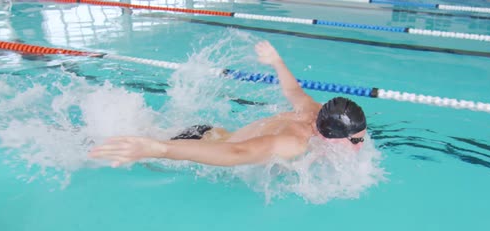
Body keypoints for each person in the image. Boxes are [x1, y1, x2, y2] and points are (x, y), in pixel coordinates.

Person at [89, 40, 367, 168]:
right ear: (326, 135)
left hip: (211, 132)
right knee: (123, 150)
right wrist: (158, 149)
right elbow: (236, 153)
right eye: (354, 141)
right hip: (201, 148)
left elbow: (293, 90)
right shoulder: (293, 143)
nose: (359, 146)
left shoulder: (313, 111)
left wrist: (276, 62)